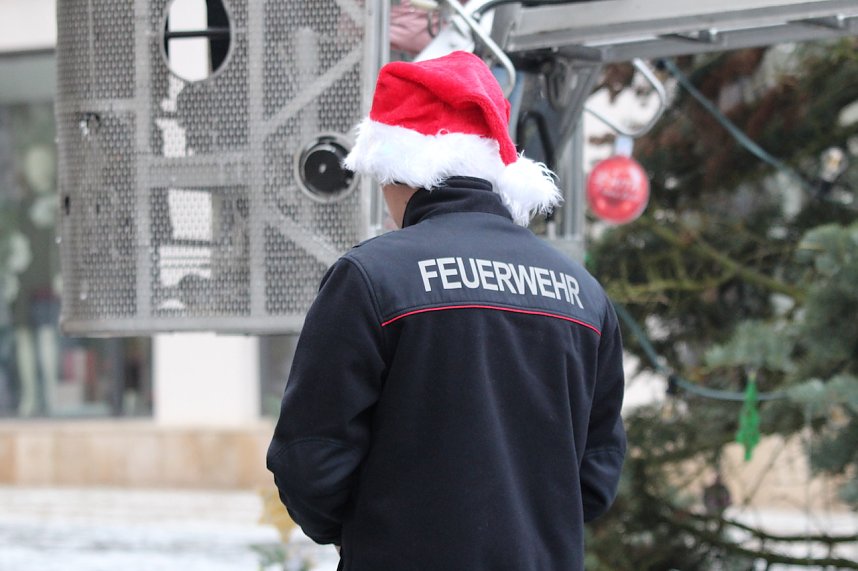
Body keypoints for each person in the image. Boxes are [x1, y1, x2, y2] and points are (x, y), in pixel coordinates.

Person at [267, 50, 626, 571]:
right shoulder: (582, 293)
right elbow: (596, 473)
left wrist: (370, 530)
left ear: (396, 169)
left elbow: (310, 456)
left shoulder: (371, 278)